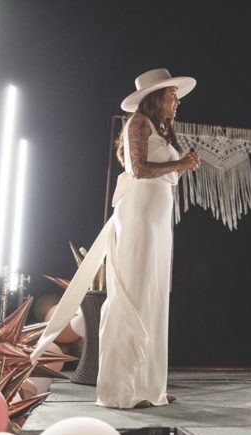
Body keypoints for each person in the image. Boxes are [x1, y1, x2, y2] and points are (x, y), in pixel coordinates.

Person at [30, 68, 201, 409]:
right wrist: (180, 163)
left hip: (157, 218)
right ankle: (120, 387)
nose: (177, 101)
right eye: (171, 95)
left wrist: (180, 164)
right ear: (156, 97)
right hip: (138, 215)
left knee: (153, 296)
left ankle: (149, 385)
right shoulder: (138, 123)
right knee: (135, 294)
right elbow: (138, 169)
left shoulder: (162, 128)